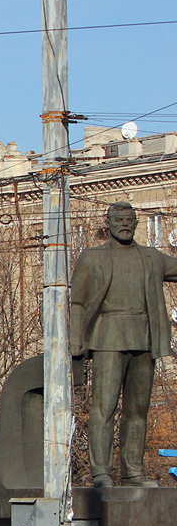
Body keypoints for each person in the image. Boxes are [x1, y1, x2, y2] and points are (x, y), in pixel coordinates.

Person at [71, 201, 177, 487]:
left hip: (144, 338)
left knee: (137, 410)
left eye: (130, 220)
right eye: (119, 220)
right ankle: (101, 472)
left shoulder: (152, 257)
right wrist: (76, 340)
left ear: (136, 223)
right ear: (109, 223)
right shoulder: (92, 257)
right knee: (103, 408)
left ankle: (133, 471)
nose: (125, 225)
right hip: (108, 337)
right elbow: (78, 302)